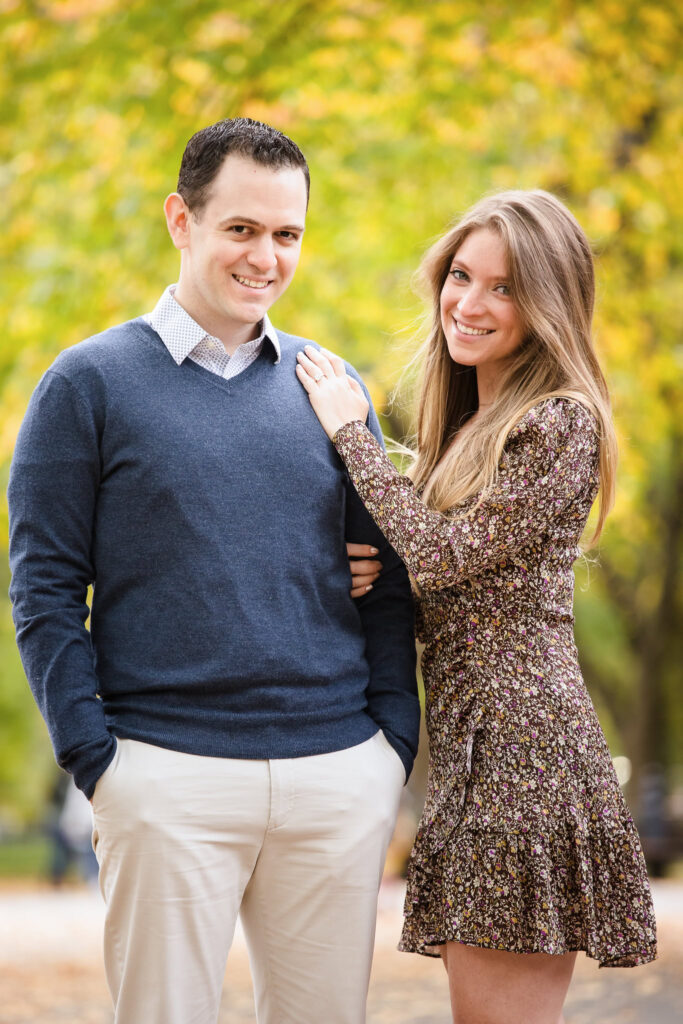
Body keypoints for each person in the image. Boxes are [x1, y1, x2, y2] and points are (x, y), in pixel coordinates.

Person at [8, 117, 419, 1024]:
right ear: (181, 220)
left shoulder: (331, 384)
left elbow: (386, 582)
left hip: (335, 776)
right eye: (241, 228)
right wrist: (98, 759)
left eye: (286, 234)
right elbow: (42, 589)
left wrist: (388, 743)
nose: (264, 257)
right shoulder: (88, 384)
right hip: (164, 774)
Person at [296, 190, 657, 1024]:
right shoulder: (471, 430)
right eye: (461, 276)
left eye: (504, 287)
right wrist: (380, 568)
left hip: (522, 762)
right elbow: (443, 569)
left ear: (548, 306)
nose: (469, 302)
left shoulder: (559, 423)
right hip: (472, 757)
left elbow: (442, 553)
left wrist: (352, 433)